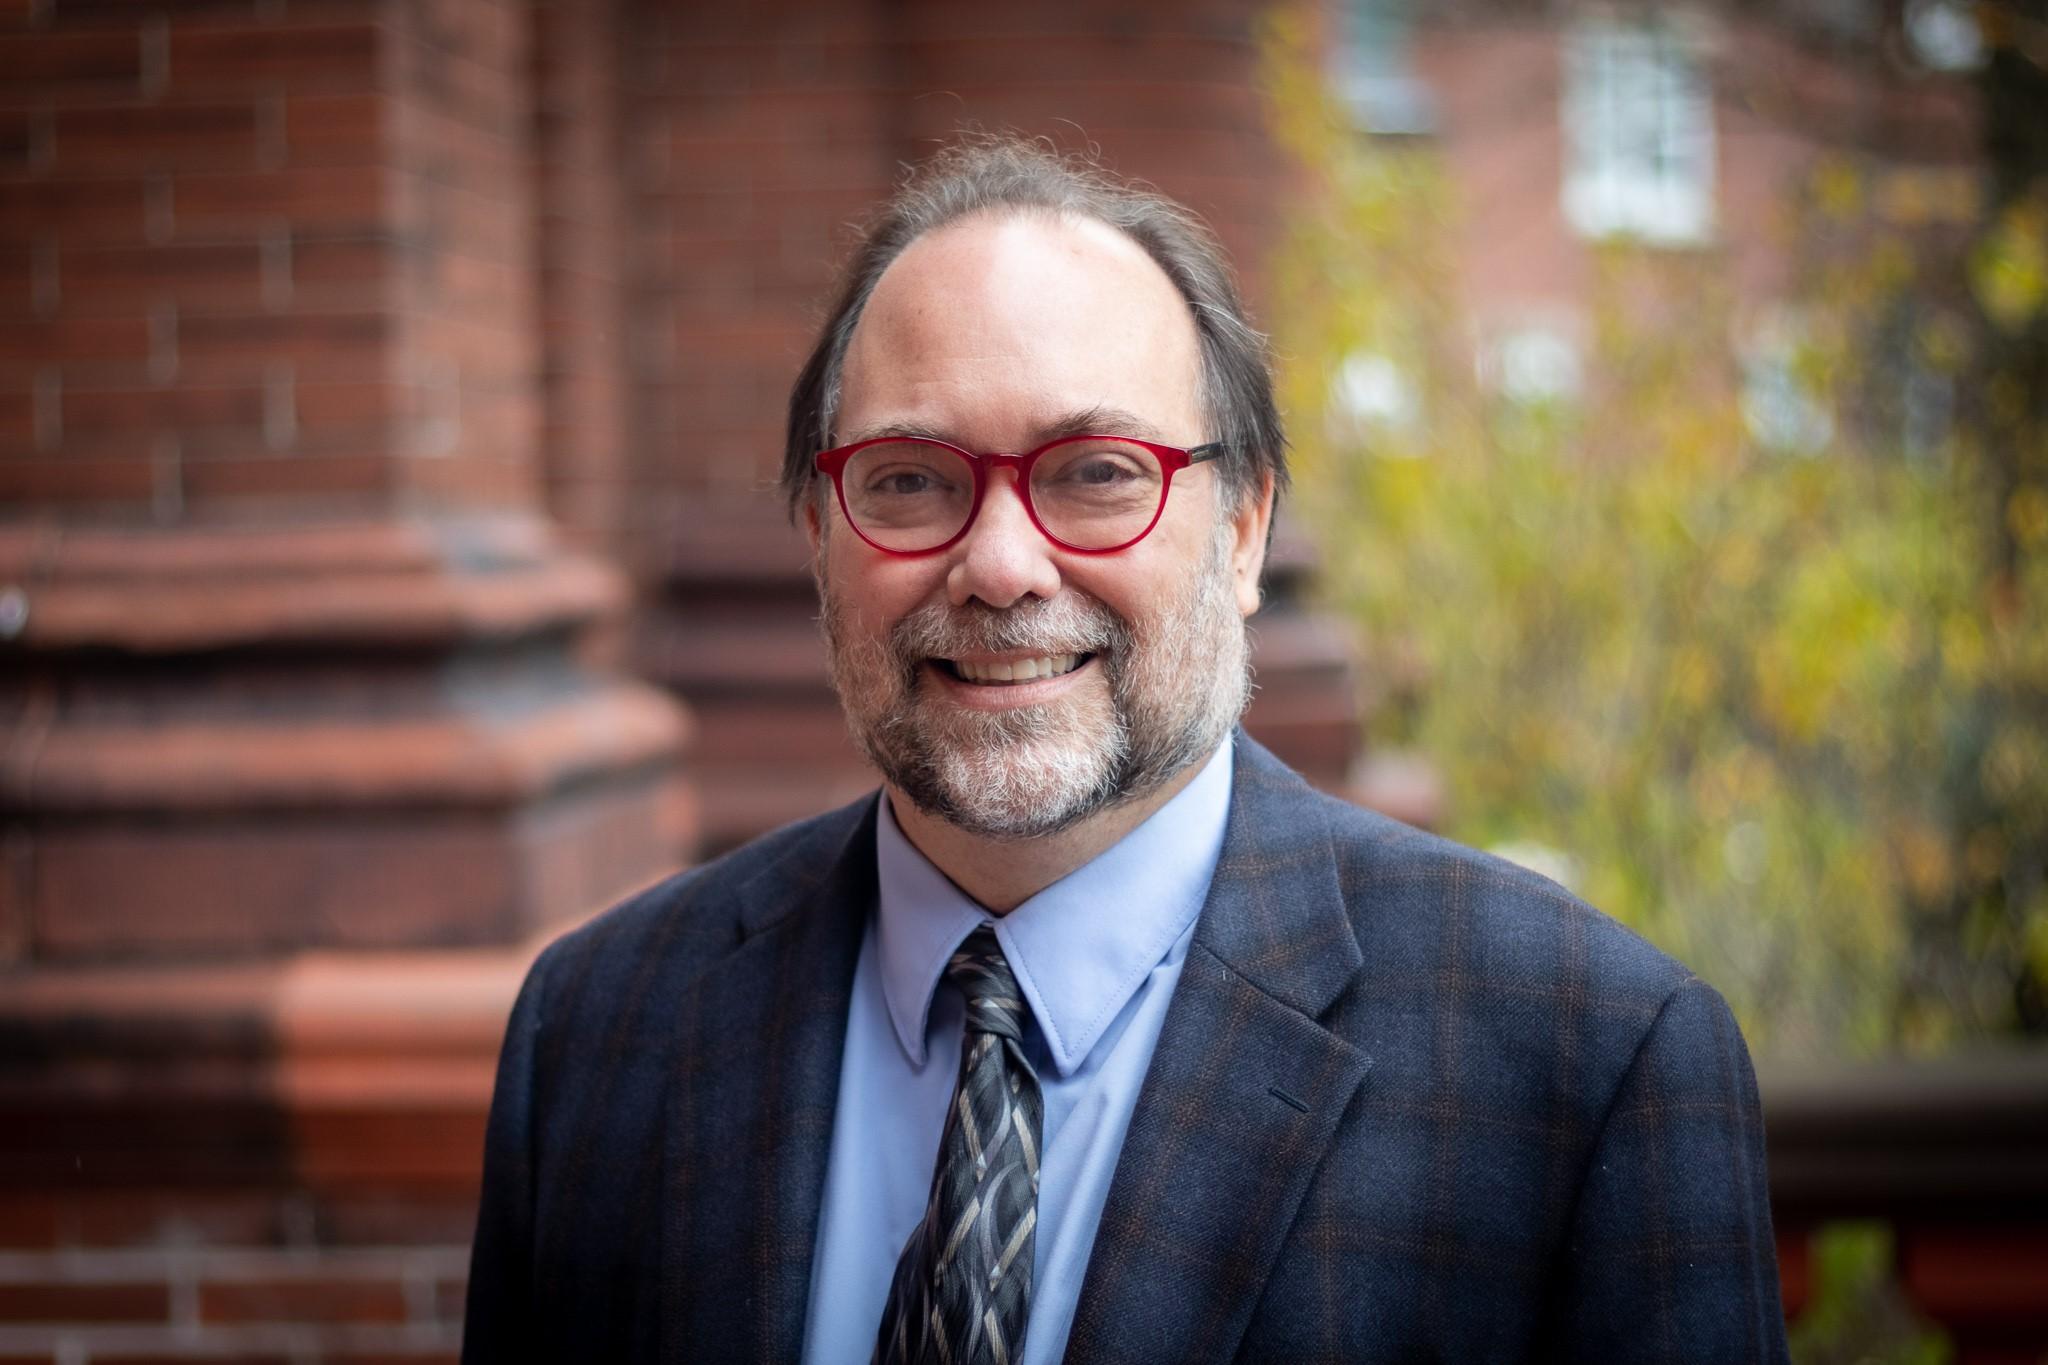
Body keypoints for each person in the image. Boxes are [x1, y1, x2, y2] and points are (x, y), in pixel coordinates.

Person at [462, 137, 1788, 1364]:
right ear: (820, 537)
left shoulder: (1590, 1066)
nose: (998, 564)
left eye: (1095, 472)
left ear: (1247, 530)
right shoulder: (599, 1033)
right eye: (910, 479)